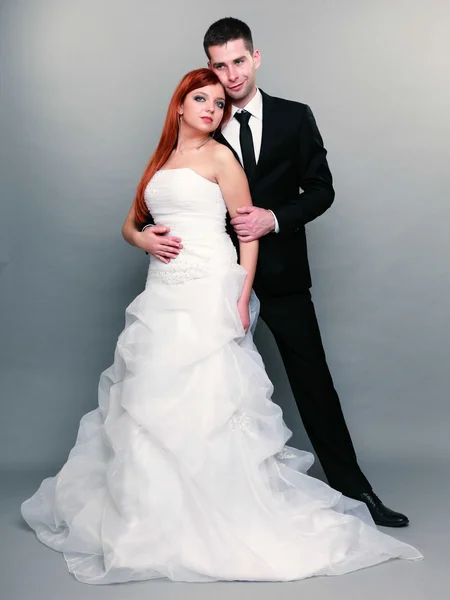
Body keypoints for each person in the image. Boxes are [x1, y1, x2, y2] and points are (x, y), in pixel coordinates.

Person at [21, 68, 421, 585]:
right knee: (151, 394)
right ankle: (152, 512)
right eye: (201, 98)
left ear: (252, 61)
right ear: (180, 106)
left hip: (215, 279)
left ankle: (325, 491)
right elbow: (131, 221)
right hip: (164, 289)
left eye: (218, 101)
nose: (212, 106)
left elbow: (248, 226)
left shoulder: (224, 155)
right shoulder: (160, 160)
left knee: (222, 389)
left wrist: (240, 293)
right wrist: (143, 240)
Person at [142, 18, 409, 528]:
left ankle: (358, 491)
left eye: (238, 62)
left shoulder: (293, 117)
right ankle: (202, 503)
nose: (230, 75)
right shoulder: (204, 113)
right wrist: (143, 234)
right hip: (213, 279)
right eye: (219, 65)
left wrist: (276, 218)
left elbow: (322, 188)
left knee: (313, 383)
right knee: (199, 387)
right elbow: (170, 193)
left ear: (256, 57)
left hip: (283, 274)